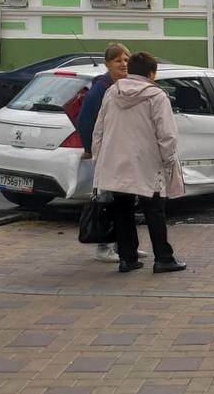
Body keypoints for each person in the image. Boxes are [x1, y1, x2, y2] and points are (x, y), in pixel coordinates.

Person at [92, 51, 187, 274]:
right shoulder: (156, 96)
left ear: (130, 70)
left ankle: (127, 258)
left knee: (122, 210)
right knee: (154, 211)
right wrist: (167, 159)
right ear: (152, 73)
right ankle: (163, 258)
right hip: (147, 162)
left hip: (114, 161)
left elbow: (99, 129)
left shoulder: (112, 91)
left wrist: (99, 158)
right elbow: (167, 135)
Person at [76, 42, 145, 264]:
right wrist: (90, 149)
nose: (123, 64)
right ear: (107, 64)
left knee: (124, 200)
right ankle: (103, 246)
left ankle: (124, 246)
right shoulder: (101, 88)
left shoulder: (126, 84)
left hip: (123, 153)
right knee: (106, 201)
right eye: (118, 60)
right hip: (106, 155)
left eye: (126, 60)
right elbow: (86, 120)